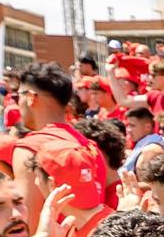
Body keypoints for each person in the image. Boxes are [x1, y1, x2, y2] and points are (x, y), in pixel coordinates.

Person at [12, 62, 107, 227]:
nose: (16, 103)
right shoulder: (90, 146)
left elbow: (28, 223)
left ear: (31, 98)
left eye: (17, 96)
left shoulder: (29, 148)